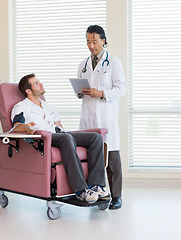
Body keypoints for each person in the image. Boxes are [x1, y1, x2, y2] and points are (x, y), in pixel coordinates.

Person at [11, 73, 109, 204]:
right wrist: (27, 128)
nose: (41, 84)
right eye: (36, 83)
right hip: (44, 138)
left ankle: (96, 185)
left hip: (60, 135)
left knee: (95, 138)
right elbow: (16, 127)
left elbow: (59, 126)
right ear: (28, 91)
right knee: (66, 138)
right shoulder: (21, 107)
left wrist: (62, 131)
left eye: (39, 82)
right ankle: (81, 190)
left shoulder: (48, 106)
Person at [77, 25, 126, 209]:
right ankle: (97, 193)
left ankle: (117, 196)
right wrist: (80, 93)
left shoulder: (113, 62)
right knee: (91, 158)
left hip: (106, 117)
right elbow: (81, 88)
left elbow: (121, 88)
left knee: (112, 158)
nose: (91, 45)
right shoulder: (83, 64)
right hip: (88, 116)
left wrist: (102, 93)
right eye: (88, 41)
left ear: (103, 40)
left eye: (94, 41)